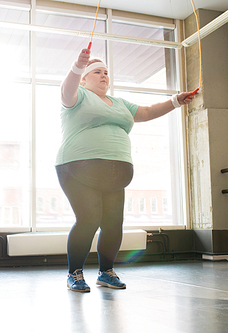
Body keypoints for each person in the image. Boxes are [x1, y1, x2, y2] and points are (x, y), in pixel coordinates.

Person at [57, 49, 196, 292]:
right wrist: (76, 66)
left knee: (113, 223)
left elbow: (148, 111)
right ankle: (75, 273)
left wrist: (176, 101)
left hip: (115, 171)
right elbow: (65, 90)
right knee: (89, 220)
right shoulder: (77, 96)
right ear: (84, 79)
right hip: (77, 167)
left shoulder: (120, 104)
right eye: (97, 72)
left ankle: (106, 272)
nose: (104, 76)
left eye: (106, 72)